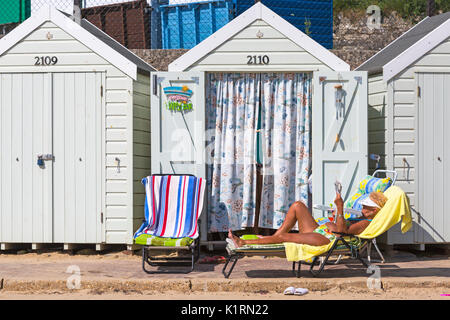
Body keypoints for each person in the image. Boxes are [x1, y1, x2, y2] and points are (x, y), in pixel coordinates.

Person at [228, 190, 388, 247]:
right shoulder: (362, 216)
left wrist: (340, 207)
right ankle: (272, 238)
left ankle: (244, 242)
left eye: (366, 207)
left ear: (374, 210)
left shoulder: (366, 223)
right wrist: (335, 216)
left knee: (285, 237)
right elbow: (341, 224)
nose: (362, 208)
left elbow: (341, 233)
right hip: (320, 230)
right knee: (298, 205)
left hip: (326, 238)